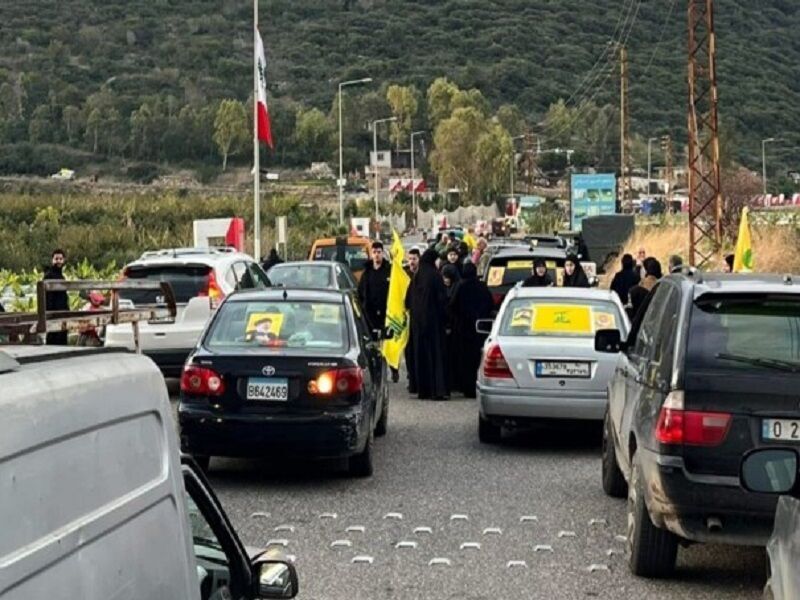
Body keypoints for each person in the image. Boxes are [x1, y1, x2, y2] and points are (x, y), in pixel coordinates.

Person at [406, 248, 449, 400]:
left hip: (418, 323)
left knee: (422, 355)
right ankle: (437, 390)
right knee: (436, 356)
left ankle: (423, 389)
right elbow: (442, 299)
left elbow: (409, 300)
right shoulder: (435, 275)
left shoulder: (417, 275)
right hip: (434, 323)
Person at [448, 262, 494, 398]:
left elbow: (452, 306)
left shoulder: (461, 287)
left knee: (465, 360)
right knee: (477, 359)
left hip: (464, 330)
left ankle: (466, 387)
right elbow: (490, 304)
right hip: (480, 329)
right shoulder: (482, 287)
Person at [357, 241, 397, 382]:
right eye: (374, 252)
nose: (376, 255)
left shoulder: (389, 270)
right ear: (371, 254)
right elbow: (360, 292)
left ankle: (393, 368)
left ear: (382, 253)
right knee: (373, 346)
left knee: (389, 344)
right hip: (371, 315)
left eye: (379, 252)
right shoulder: (367, 272)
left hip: (387, 314)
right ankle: (376, 372)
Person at [43, 249, 69, 345]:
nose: (58, 261)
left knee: (62, 336)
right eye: (56, 258)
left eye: (60, 259)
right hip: (53, 312)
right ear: (52, 260)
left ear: (63, 260)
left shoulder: (62, 276)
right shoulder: (48, 275)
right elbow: (46, 297)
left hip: (63, 311)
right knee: (53, 336)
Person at [441, 263, 460, 393]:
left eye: (448, 277)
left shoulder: (457, 287)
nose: (446, 280)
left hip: (456, 327)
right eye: (444, 277)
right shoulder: (442, 288)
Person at [404, 248, 421, 394]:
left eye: (414, 258)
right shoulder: (404, 275)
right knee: (408, 350)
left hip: (417, 319)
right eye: (410, 258)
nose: (412, 261)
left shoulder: (421, 276)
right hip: (406, 319)